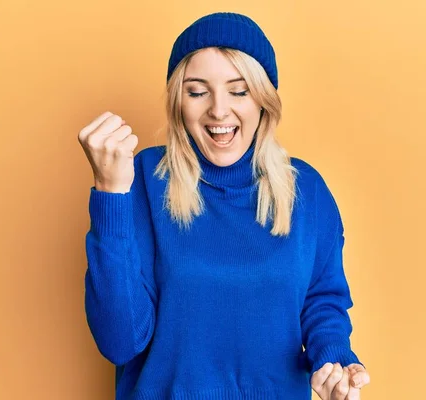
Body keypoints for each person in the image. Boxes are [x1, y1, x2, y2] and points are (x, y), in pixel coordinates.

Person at [78, 11, 370, 400]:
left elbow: (321, 299)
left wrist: (333, 361)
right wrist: (110, 193)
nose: (218, 110)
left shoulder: (306, 190)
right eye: (197, 91)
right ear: (178, 101)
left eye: (239, 90)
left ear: (264, 99)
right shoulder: (143, 180)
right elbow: (119, 341)